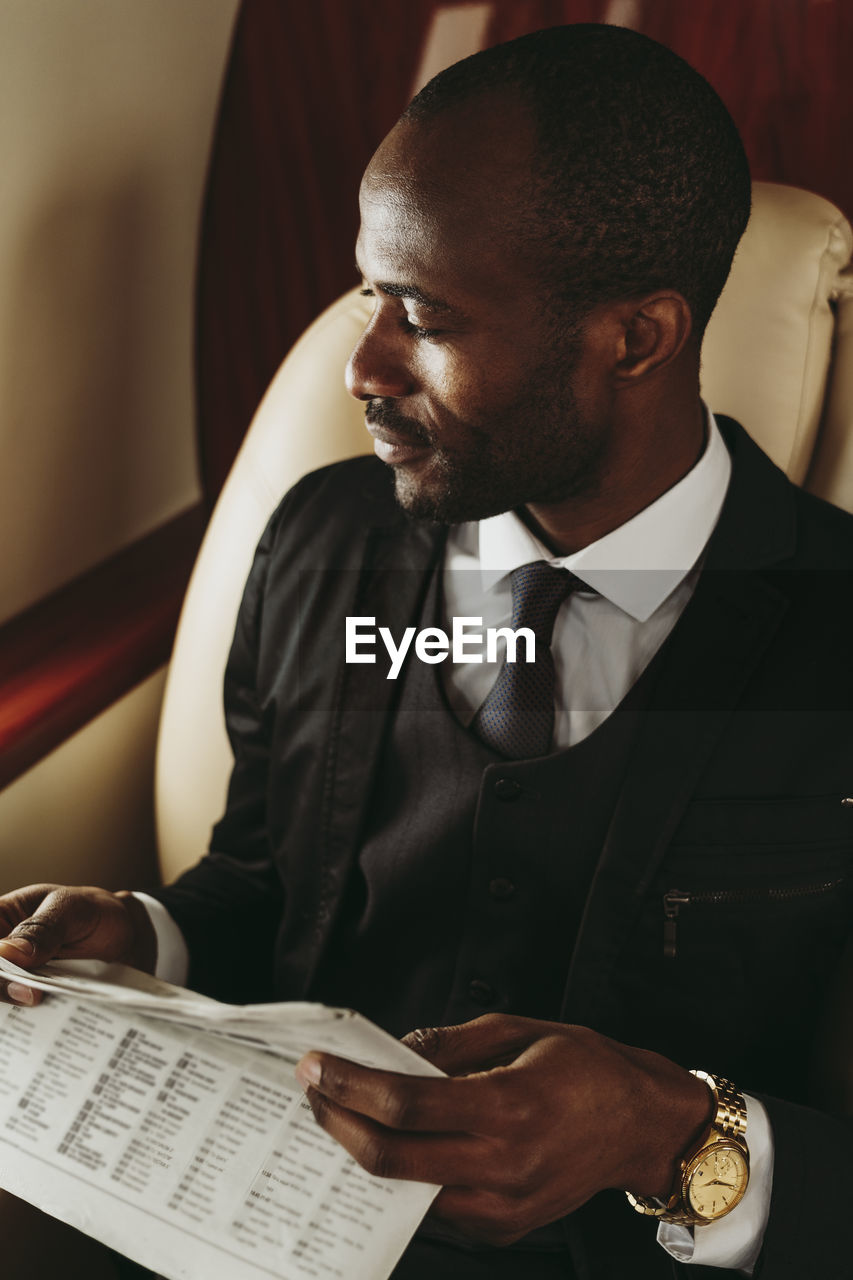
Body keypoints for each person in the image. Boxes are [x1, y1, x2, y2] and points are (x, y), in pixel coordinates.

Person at [1, 23, 851, 1279]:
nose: (360, 366)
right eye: (369, 297)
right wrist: (146, 941)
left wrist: (671, 1136)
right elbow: (261, 880)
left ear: (636, 338)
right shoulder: (320, 540)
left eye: (426, 316)